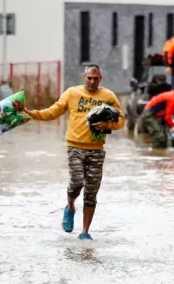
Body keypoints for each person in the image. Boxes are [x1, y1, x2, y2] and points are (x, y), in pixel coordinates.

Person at [23, 65, 125, 241]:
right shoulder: (71, 93)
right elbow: (53, 112)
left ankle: (85, 232)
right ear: (84, 77)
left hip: (96, 150)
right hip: (74, 147)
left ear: (100, 78)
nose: (92, 81)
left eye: (96, 78)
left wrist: (107, 125)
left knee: (91, 192)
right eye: (89, 78)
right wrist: (31, 114)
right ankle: (70, 207)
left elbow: (121, 120)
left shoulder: (108, 96)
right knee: (77, 182)